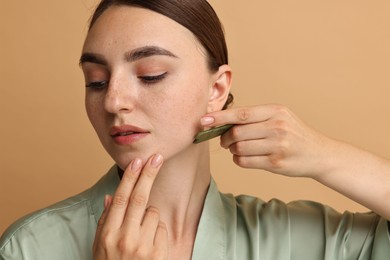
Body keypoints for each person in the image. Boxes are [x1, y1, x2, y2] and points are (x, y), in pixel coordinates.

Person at [1, 0, 389, 259]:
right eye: (96, 80)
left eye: (151, 75)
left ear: (216, 89)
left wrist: (325, 156)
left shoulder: (296, 238)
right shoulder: (30, 246)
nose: (112, 101)